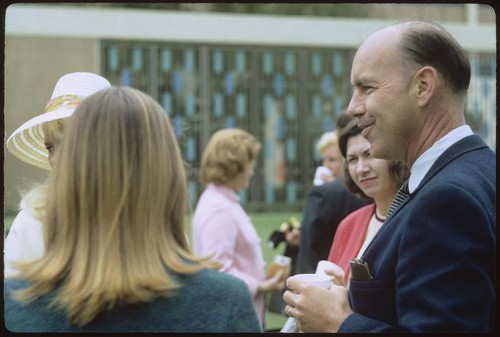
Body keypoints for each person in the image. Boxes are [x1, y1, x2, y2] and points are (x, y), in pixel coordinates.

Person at [283, 20, 495, 333]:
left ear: (423, 86)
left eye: (366, 88)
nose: (353, 107)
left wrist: (337, 322)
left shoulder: (445, 199)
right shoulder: (477, 169)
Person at [4, 87, 262, 333]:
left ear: (69, 178)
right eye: (50, 147)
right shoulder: (223, 303)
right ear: (168, 177)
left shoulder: (15, 303)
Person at [4, 72, 111, 278]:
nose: (54, 159)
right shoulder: (32, 221)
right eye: (50, 147)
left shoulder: (143, 217)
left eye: (70, 141)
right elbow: (12, 302)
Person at [191, 128, 285, 328]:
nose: (251, 171)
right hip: (232, 320)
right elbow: (217, 269)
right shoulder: (219, 208)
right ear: (235, 166)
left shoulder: (223, 200)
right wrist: (260, 285)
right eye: (249, 164)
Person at [327, 119, 410, 287]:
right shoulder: (349, 225)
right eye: (352, 160)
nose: (361, 169)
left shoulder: (417, 219)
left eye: (369, 154)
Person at [295, 113, 371, 274]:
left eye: (332, 160)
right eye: (353, 159)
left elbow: (310, 259)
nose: (362, 168)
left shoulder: (325, 194)